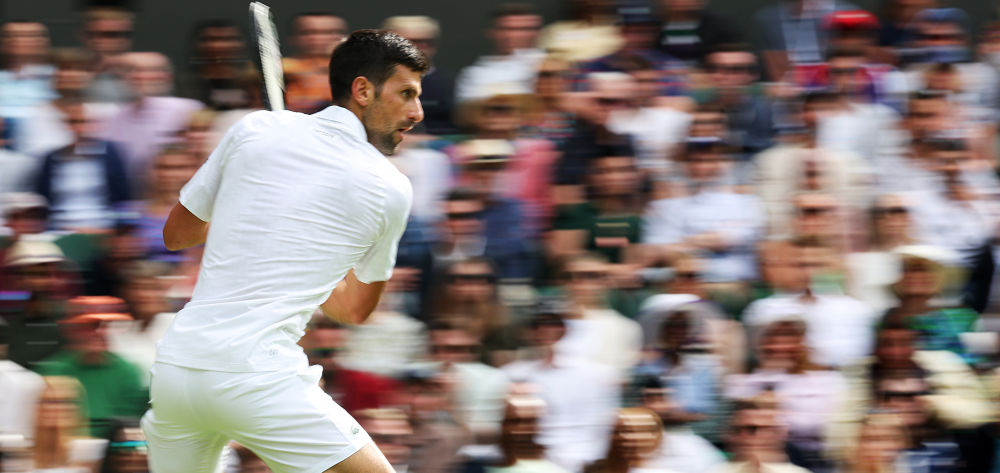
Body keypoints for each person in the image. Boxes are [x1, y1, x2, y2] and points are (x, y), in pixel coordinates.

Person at [141, 30, 427, 473]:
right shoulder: (390, 187)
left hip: (177, 373)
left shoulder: (254, 128)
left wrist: (257, 214)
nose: (417, 112)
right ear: (363, 91)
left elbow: (178, 233)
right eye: (406, 94)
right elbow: (354, 310)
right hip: (256, 378)